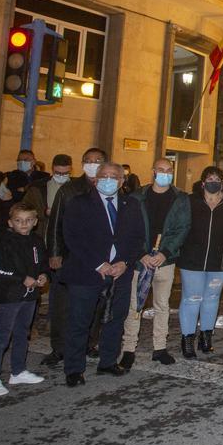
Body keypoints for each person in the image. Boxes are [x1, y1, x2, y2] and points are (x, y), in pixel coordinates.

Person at [60, 162, 146, 386]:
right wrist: (99, 264)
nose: (108, 179)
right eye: (104, 176)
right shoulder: (78, 203)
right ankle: (74, 369)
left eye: (113, 176)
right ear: (95, 179)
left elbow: (138, 238)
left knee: (115, 318)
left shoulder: (132, 205)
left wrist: (125, 262)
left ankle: (108, 361)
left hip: (120, 272)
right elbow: (72, 237)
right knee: (80, 321)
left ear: (121, 181)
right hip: (86, 271)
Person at [120, 158, 189, 369]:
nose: (165, 173)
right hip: (140, 262)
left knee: (162, 306)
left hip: (165, 262)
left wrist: (165, 253)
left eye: (169, 170)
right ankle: (128, 349)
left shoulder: (180, 198)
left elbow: (183, 228)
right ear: (153, 172)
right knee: (134, 306)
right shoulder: (136, 197)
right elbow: (128, 229)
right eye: (161, 170)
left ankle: (159, 348)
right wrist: (141, 254)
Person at [43, 147, 108, 367]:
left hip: (100, 258)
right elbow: (55, 224)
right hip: (70, 256)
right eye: (88, 160)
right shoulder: (69, 190)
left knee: (97, 304)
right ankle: (59, 347)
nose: (93, 164)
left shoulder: (111, 187)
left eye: (98, 160)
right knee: (62, 304)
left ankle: (90, 343)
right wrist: (54, 252)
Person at [0, 202, 49, 396]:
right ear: (10, 222)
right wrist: (20, 279)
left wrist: (44, 275)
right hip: (10, 295)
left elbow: (42, 263)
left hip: (30, 296)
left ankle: (17, 371)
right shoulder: (2, 241)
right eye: (19, 221)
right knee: (2, 336)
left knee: (22, 333)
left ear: (35, 222)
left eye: (28, 220)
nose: (24, 224)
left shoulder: (36, 241)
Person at [177, 167, 223, 358]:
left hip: (218, 261)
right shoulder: (190, 201)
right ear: (202, 183)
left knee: (211, 298)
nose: (213, 182)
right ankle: (187, 340)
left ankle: (206, 338)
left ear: (222, 183)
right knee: (191, 299)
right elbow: (180, 226)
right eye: (210, 179)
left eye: (217, 179)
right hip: (192, 259)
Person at [21, 154, 72, 242]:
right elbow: (24, 208)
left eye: (65, 173)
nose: (61, 176)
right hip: (44, 233)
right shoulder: (37, 187)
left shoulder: (78, 188)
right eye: (58, 173)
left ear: (71, 169)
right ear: (52, 169)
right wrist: (44, 212)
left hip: (70, 232)